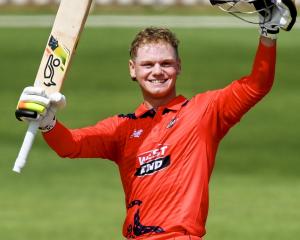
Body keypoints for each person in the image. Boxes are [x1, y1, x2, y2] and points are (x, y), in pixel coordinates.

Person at [15, 1, 296, 239]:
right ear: (133, 70)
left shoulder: (204, 112)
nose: (157, 72)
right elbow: (71, 145)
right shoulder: (121, 128)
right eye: (148, 65)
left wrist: (268, 32)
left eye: (166, 63)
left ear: (179, 66)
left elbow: (256, 85)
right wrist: (48, 122)